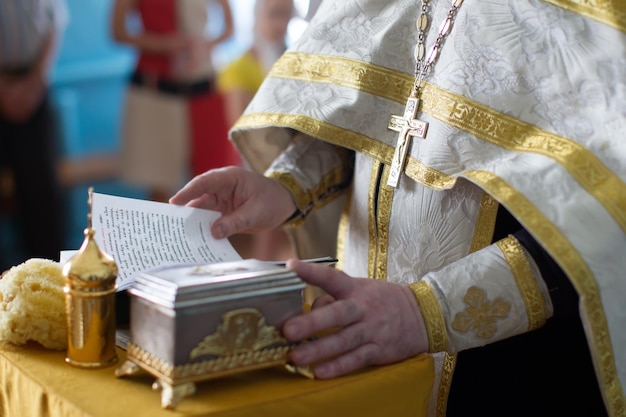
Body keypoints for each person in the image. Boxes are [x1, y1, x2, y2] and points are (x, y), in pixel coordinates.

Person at [170, 1, 626, 416]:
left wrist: (428, 311)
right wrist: (287, 186)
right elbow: (363, 117)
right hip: (359, 330)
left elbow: (605, 207)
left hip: (512, 371)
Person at [111, 0, 236, 203]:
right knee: (160, 188)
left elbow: (230, 27)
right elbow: (118, 32)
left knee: (213, 184)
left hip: (204, 89)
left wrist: (204, 47)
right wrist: (165, 45)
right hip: (156, 92)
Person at [216, 0, 296, 261]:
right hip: (259, 156)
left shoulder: (295, 60)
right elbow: (240, 128)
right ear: (257, 17)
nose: (280, 24)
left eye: (286, 16)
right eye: (273, 15)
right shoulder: (239, 68)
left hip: (294, 153)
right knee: (270, 225)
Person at [0, 0, 68, 270]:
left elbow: (56, 22)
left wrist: (36, 80)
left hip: (35, 87)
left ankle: (49, 279)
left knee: (42, 195)